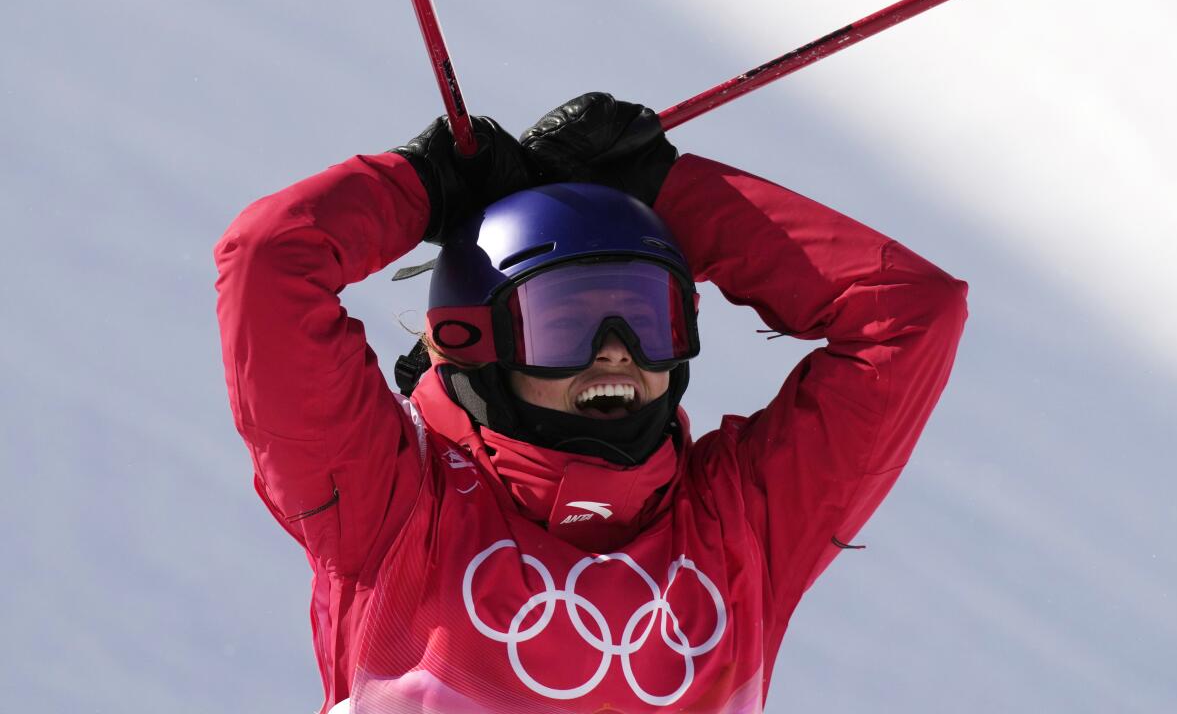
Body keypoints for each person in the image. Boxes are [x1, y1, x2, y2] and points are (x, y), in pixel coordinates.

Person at [214, 92, 968, 713]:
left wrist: (672, 199)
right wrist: (423, 184)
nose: (617, 351)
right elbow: (270, 259)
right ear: (479, 340)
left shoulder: (741, 527)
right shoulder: (395, 509)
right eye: (566, 322)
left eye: (647, 319)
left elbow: (911, 316)